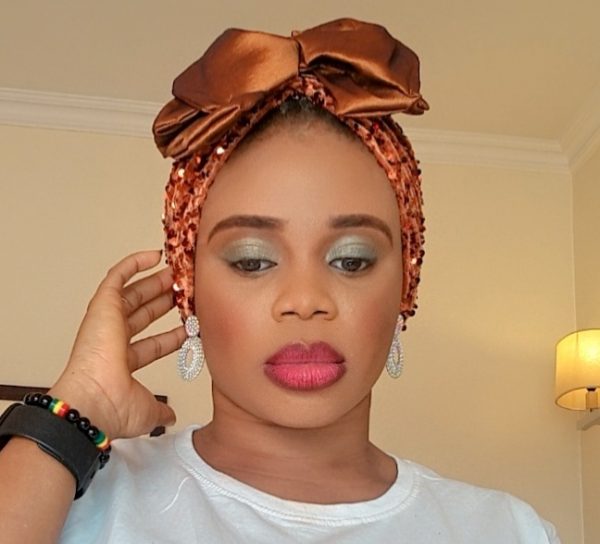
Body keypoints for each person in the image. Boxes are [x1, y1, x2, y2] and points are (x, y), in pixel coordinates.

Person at [0, 18, 559, 543]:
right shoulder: (71, 499)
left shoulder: (505, 529)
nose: (305, 300)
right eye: (252, 261)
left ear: (405, 286)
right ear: (188, 288)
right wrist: (74, 408)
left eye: (352, 260)